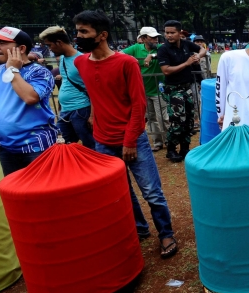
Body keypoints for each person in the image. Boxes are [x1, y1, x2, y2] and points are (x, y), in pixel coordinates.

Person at [73, 10, 178, 258]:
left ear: (102, 35)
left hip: (132, 139)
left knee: (151, 191)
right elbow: (96, 95)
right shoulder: (80, 63)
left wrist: (129, 141)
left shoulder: (126, 63)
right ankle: (140, 229)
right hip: (102, 141)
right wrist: (92, 116)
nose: (78, 36)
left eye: (84, 31)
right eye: (77, 31)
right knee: (121, 192)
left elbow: (139, 105)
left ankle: (166, 234)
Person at [0, 27, 56, 176]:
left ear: (21, 48)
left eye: (1, 42)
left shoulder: (39, 72)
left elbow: (30, 98)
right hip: (5, 147)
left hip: (36, 147)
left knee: (42, 191)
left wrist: (13, 70)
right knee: (15, 192)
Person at [157, 20, 206, 162]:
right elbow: (166, 71)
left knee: (189, 120)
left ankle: (185, 148)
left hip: (187, 88)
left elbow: (202, 49)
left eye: (172, 32)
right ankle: (171, 149)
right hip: (173, 90)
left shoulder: (185, 44)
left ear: (179, 33)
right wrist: (187, 63)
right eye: (167, 33)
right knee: (177, 121)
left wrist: (198, 56)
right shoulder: (163, 49)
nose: (169, 35)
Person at [39, 26, 95, 149]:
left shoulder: (82, 60)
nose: (50, 49)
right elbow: (67, 82)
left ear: (59, 43)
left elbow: (93, 89)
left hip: (81, 109)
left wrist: (92, 115)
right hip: (66, 110)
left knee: (90, 145)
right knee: (61, 144)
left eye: (49, 45)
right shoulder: (63, 58)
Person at [122, 26, 170, 152]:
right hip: (143, 91)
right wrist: (132, 60)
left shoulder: (160, 48)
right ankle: (157, 142)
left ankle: (169, 140)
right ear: (143, 39)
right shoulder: (136, 48)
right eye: (152, 38)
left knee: (163, 117)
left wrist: (152, 55)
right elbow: (119, 55)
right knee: (150, 118)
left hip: (159, 90)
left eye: (156, 38)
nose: (155, 40)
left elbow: (168, 50)